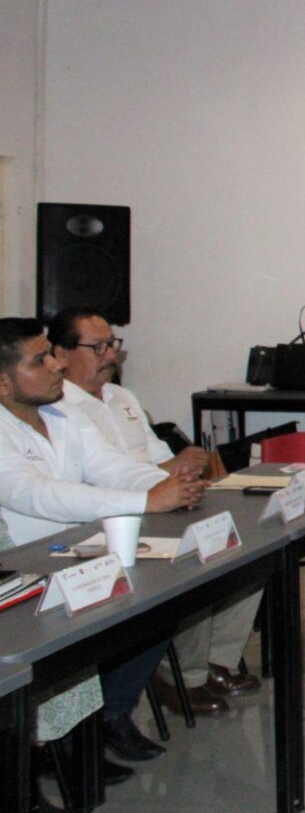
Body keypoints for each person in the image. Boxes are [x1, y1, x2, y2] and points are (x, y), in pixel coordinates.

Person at [0, 317, 207, 796]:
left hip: (76, 554)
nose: (56, 366)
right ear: (4, 383)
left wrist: (166, 485)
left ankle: (99, 724)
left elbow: (109, 467)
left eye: (52, 354)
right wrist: (147, 500)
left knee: (162, 599)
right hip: (24, 572)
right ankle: (48, 760)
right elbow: (37, 494)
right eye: (40, 360)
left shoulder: (60, 413)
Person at [46, 308, 259, 720]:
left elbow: (156, 458)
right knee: (199, 561)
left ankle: (217, 661)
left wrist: (183, 470)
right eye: (97, 347)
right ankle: (182, 677)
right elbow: (91, 482)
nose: (110, 355)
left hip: (159, 501)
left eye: (112, 345)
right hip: (113, 519)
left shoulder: (122, 398)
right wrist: (165, 478)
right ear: (61, 353)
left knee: (247, 547)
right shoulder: (59, 409)